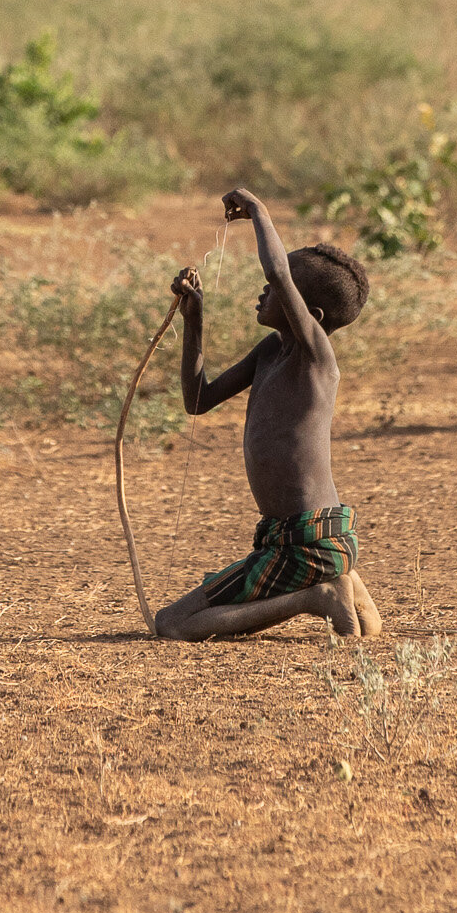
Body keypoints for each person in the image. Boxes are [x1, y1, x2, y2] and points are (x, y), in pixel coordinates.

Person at [152, 188, 384, 642]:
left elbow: (276, 271)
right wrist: (194, 321)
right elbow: (198, 399)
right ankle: (345, 586)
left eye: (285, 289)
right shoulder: (272, 352)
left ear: (309, 315)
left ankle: (312, 597)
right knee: (365, 631)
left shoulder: (316, 358)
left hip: (308, 544)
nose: (268, 288)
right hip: (293, 538)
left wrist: (257, 210)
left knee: (172, 624)